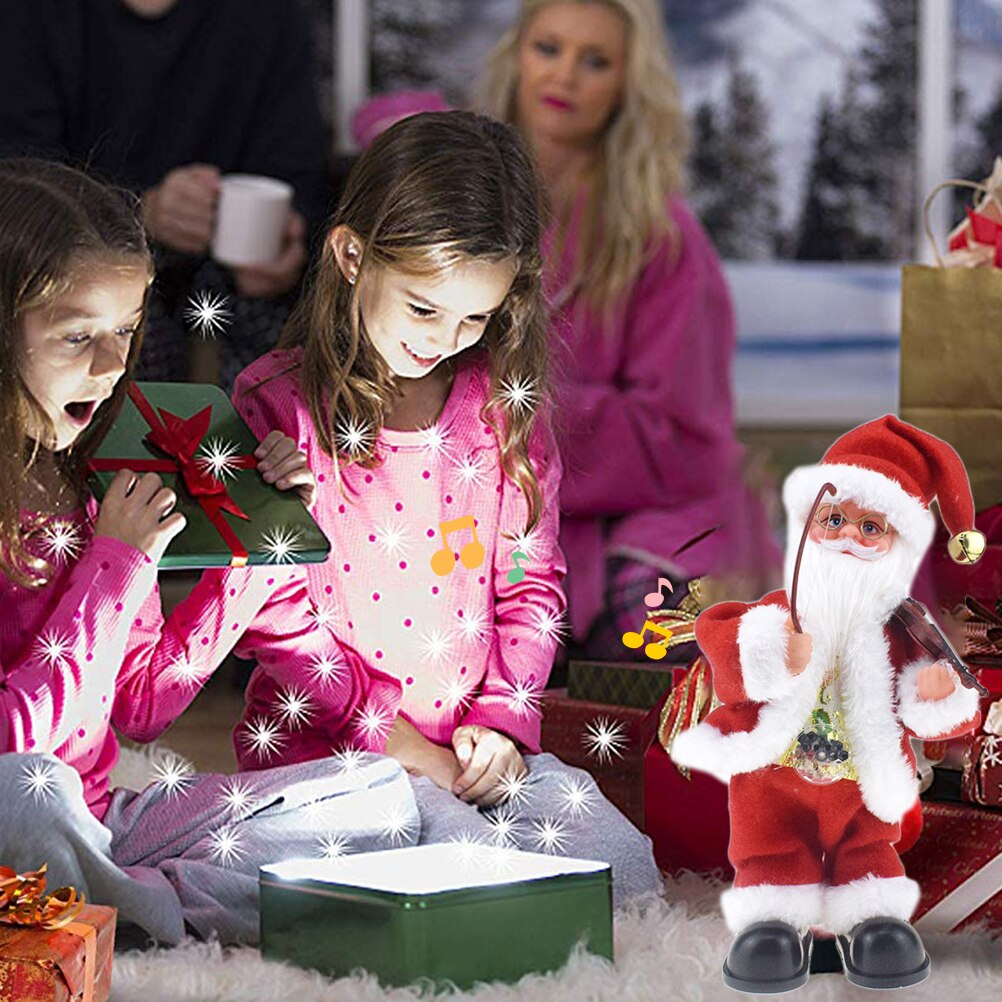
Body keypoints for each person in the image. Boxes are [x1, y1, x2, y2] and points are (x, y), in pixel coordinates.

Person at [233, 111, 661, 906]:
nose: (445, 340)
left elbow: (531, 587)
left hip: (472, 758)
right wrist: (401, 747)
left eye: (476, 318)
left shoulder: (502, 408)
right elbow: (277, 626)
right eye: (425, 309)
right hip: (330, 758)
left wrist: (502, 723)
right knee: (426, 860)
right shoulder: (276, 405)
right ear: (352, 255)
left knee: (623, 867)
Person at [0, 158, 417, 946]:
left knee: (376, 793)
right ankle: (152, 912)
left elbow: (143, 706)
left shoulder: (98, 488)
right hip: (17, 810)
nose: (109, 364)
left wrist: (256, 549)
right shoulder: (86, 528)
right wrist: (114, 568)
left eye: (124, 331)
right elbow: (15, 744)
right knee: (23, 792)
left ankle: (124, 906)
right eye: (76, 335)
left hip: (98, 823)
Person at [478, 0, 779, 656]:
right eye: (548, 48)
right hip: (478, 504)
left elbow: (680, 433)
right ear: (516, 55)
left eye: (596, 62)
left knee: (661, 633)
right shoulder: (460, 200)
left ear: (626, 85)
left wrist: (506, 423)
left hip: (644, 515)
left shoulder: (661, 240)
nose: (565, 77)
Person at [672, 416, 984, 992]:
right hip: (775, 777)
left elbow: (948, 694)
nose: (847, 536)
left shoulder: (903, 629)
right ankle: (773, 922)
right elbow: (718, 633)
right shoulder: (780, 608)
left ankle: (870, 922)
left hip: (858, 784)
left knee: (867, 851)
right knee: (770, 846)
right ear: (808, 522)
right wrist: (768, 650)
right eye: (834, 519)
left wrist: (932, 692)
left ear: (900, 545)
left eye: (871, 527)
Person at [0, 0, 329, 391]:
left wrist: (289, 243)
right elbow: (19, 181)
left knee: (300, 350)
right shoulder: (29, 16)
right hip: (85, 260)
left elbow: (300, 177)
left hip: (235, 289)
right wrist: (139, 212)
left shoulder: (271, 17)